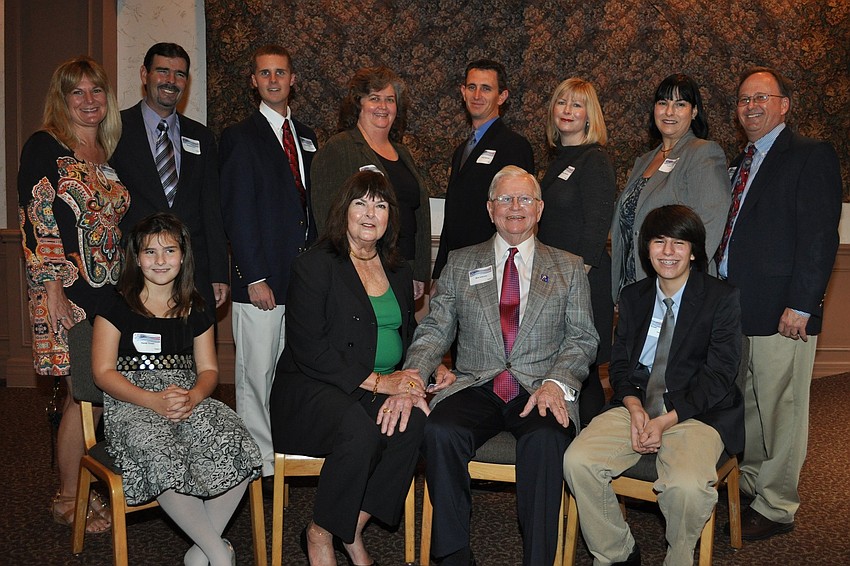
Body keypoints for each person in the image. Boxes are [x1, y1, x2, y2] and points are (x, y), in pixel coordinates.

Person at [405, 166, 598, 566]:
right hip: (477, 383)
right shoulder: (460, 263)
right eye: (505, 200)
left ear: (540, 209)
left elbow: (582, 338)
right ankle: (454, 555)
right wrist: (413, 373)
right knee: (439, 430)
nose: (515, 208)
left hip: (539, 388)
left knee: (546, 441)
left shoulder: (568, 267)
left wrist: (556, 384)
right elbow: (436, 329)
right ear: (490, 209)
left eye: (525, 199)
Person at [565, 205, 744, 566]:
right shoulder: (634, 296)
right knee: (577, 461)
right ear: (647, 249)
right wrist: (633, 408)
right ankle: (618, 554)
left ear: (694, 250)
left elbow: (719, 376)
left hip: (697, 412)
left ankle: (678, 558)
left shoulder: (720, 299)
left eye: (679, 243)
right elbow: (619, 366)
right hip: (636, 403)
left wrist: (665, 421)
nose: (668, 251)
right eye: (659, 242)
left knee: (686, 488)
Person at [270, 171, 431, 566]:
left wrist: (421, 373)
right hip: (312, 388)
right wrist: (382, 382)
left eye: (380, 205)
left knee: (415, 424)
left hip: (374, 388)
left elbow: (407, 336)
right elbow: (311, 350)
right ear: (344, 211)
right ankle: (321, 536)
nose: (369, 213)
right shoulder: (315, 265)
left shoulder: (398, 268)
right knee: (360, 431)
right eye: (361, 203)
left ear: (390, 216)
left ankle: (346, 527)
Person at [91, 213, 262, 566]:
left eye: (169, 251)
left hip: (188, 397)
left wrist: (195, 396)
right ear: (136, 258)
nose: (159, 260)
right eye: (150, 252)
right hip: (132, 401)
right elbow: (103, 373)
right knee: (160, 450)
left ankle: (201, 554)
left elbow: (210, 370)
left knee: (237, 440)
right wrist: (151, 400)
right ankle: (217, 553)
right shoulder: (116, 304)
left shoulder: (196, 307)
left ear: (183, 257)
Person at [716, 66, 842, 540]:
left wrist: (804, 305)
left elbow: (818, 238)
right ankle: (753, 483)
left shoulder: (810, 156)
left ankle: (777, 507)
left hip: (784, 312)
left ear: (784, 105)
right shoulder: (742, 160)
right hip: (739, 307)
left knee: (782, 408)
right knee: (752, 404)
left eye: (762, 98)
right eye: (744, 99)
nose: (751, 106)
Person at [18, 55, 129, 534]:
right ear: (61, 100)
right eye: (76, 92)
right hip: (68, 292)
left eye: (96, 91)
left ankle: (87, 487)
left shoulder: (105, 152)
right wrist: (55, 291)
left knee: (99, 395)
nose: (89, 101)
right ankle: (67, 496)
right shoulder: (45, 146)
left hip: (109, 293)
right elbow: (38, 219)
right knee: (83, 398)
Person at [219, 44, 318, 481]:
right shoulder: (240, 136)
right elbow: (237, 212)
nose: (273, 80)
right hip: (261, 282)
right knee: (256, 378)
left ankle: (283, 455)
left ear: (293, 78)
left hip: (301, 282)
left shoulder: (308, 136)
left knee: (289, 376)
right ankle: (256, 468)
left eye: (281, 72)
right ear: (253, 81)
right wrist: (253, 278)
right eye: (265, 74)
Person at [111, 42, 228, 318]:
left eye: (179, 74)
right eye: (162, 71)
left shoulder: (201, 137)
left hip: (192, 273)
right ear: (144, 75)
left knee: (194, 355)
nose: (170, 81)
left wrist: (219, 272)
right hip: (134, 269)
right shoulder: (114, 129)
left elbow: (212, 208)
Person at [311, 66, 431, 299]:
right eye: (374, 98)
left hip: (404, 267)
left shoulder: (403, 153)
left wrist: (420, 271)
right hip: (360, 270)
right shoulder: (338, 149)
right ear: (359, 104)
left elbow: (418, 214)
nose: (383, 107)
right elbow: (327, 220)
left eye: (390, 100)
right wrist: (347, 272)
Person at [537, 77, 616, 427]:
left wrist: (566, 288)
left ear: (590, 115)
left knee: (584, 372)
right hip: (557, 280)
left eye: (577, 105)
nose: (567, 111)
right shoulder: (559, 159)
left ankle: (589, 451)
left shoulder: (594, 160)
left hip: (582, 283)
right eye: (561, 102)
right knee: (563, 369)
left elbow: (595, 233)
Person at [610, 73, 730, 302]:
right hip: (636, 286)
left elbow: (708, 226)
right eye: (663, 103)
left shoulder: (703, 153)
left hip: (679, 290)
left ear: (694, 112)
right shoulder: (644, 161)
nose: (669, 112)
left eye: (680, 104)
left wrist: (674, 285)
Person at [432, 59, 535, 281]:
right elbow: (452, 214)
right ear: (463, 92)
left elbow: (519, 214)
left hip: (492, 271)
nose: (477, 95)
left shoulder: (514, 147)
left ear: (502, 96)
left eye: (486, 88)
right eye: (472, 87)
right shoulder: (462, 151)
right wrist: (440, 272)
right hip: (456, 268)